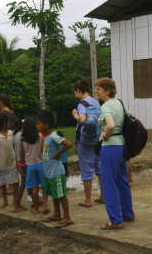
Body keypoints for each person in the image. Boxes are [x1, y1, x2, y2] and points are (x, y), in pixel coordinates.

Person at [95, 77, 134, 230]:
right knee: (122, 180)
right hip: (121, 145)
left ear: (106, 89)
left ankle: (115, 220)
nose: (97, 92)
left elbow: (110, 125)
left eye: (98, 89)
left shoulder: (105, 107)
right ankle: (127, 213)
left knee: (109, 183)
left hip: (110, 146)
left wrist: (105, 135)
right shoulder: (119, 103)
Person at [38, 110, 73, 228]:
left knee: (61, 195)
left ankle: (67, 217)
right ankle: (57, 214)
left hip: (57, 172)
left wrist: (59, 153)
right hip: (49, 173)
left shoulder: (54, 136)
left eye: (39, 124)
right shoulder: (46, 137)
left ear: (46, 124)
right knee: (54, 194)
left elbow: (68, 144)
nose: (37, 126)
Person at [72, 79, 104, 207]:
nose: (75, 95)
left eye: (75, 92)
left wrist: (75, 114)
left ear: (79, 90)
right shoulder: (96, 103)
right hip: (97, 139)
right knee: (100, 167)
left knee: (86, 169)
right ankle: (103, 196)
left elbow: (83, 119)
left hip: (85, 141)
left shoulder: (82, 104)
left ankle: (88, 199)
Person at [0, 112, 25, 211]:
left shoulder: (11, 133)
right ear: (1, 123)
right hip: (1, 163)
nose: (9, 123)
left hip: (12, 162)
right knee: (3, 183)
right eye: (6, 122)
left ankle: (15, 201)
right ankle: (5, 201)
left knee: (15, 182)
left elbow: (15, 147)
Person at [20, 117, 46, 214]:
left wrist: (22, 165)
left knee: (34, 188)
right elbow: (42, 150)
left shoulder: (23, 139)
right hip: (40, 163)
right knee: (43, 187)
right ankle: (45, 205)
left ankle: (35, 208)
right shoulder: (40, 136)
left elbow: (23, 154)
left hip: (30, 165)